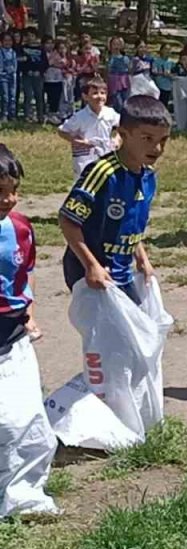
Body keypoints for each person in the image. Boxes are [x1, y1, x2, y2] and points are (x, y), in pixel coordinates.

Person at [58, 95, 171, 306]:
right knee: (116, 336)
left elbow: (128, 225)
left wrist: (142, 258)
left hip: (121, 271)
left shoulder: (147, 176)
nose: (157, 148)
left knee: (135, 331)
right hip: (90, 271)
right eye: (147, 139)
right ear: (123, 134)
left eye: (162, 140)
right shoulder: (103, 173)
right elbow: (68, 219)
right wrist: (91, 265)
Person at [0, 144, 60, 520]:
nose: (9, 199)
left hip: (12, 338)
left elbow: (24, 276)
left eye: (13, 189)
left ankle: (23, 497)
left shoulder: (20, 228)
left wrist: (30, 314)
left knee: (27, 422)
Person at [57, 78, 120, 179]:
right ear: (85, 96)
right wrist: (76, 141)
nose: (100, 97)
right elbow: (62, 131)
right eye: (95, 93)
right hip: (85, 156)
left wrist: (117, 139)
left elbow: (122, 126)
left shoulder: (110, 113)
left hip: (105, 152)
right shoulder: (80, 117)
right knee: (85, 182)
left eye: (103, 93)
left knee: (105, 180)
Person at [16, 27, 42, 120]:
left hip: (38, 76)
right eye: (28, 36)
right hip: (27, 75)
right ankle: (27, 115)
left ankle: (40, 116)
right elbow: (20, 62)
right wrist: (26, 70)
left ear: (36, 37)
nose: (30, 38)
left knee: (39, 95)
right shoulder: (22, 48)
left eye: (32, 36)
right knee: (28, 96)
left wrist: (39, 71)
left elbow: (44, 63)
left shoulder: (40, 49)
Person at [152, 43, 175, 110]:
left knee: (165, 105)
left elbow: (175, 73)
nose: (167, 51)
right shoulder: (156, 61)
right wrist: (162, 73)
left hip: (168, 87)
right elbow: (154, 71)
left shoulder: (171, 62)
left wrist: (171, 75)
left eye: (169, 49)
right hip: (159, 86)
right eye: (165, 49)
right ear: (161, 50)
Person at [0, 32, 16, 121]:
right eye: (5, 40)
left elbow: (15, 65)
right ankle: (4, 115)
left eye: (9, 40)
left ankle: (12, 114)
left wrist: (13, 72)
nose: (8, 42)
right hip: (3, 77)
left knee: (12, 96)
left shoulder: (13, 52)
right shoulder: (1, 52)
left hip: (12, 76)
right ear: (1, 42)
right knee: (5, 96)